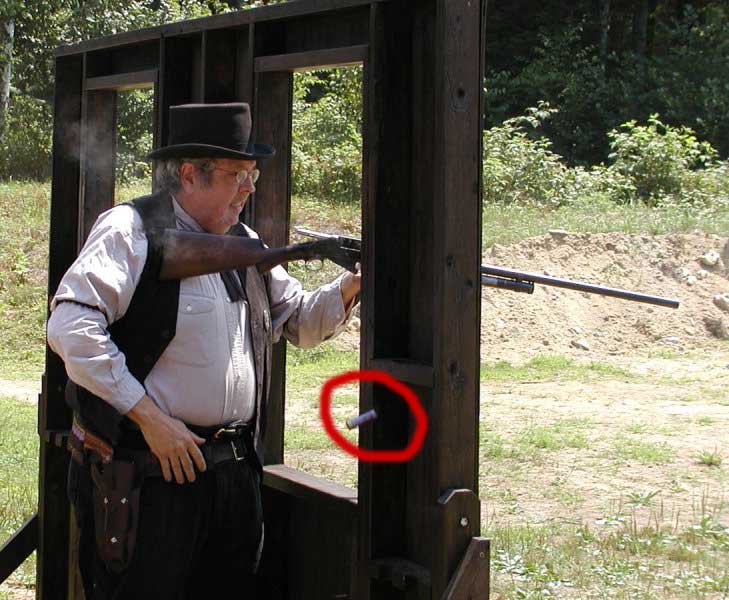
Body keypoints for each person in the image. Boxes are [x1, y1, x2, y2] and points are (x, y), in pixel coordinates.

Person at [46, 102, 360, 600]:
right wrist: (149, 418)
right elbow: (70, 325)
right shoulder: (130, 230)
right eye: (237, 174)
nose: (249, 188)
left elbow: (297, 320)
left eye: (252, 174)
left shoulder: (245, 243)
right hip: (151, 477)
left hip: (231, 475)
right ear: (190, 174)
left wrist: (353, 281)